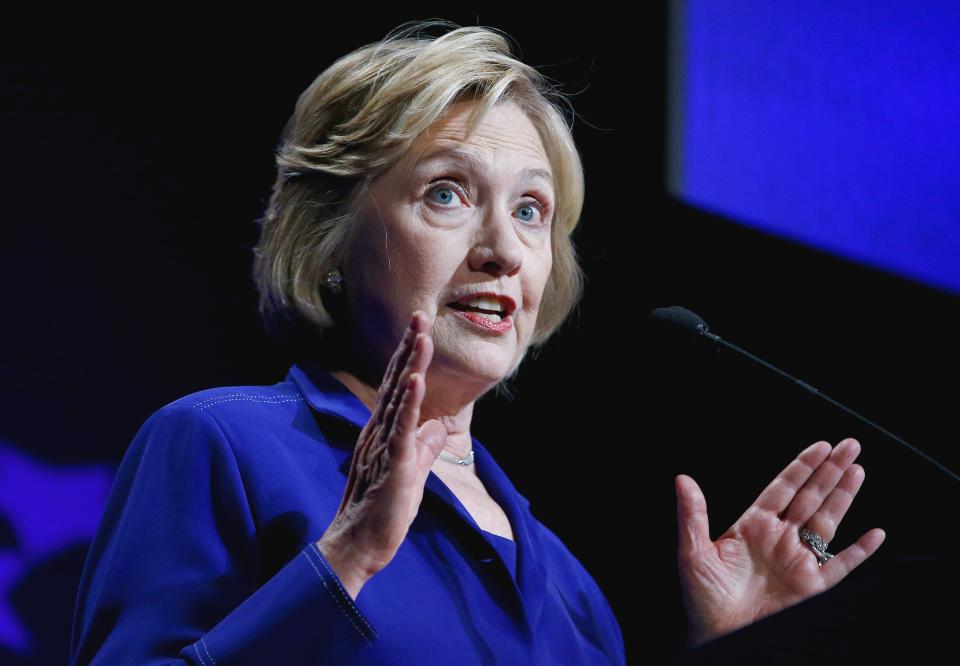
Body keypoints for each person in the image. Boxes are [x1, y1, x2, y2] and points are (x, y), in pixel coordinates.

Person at [69, 20, 885, 665]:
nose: (503, 247)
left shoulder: (570, 588)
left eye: (531, 209)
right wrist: (346, 561)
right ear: (331, 239)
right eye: (448, 192)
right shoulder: (222, 446)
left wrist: (732, 653)